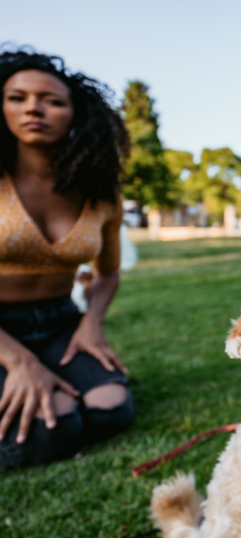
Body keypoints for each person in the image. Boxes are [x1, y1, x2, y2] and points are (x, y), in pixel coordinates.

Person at [0, 47, 134, 467]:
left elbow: (107, 273)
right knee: (52, 427)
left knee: (110, 408)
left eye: (53, 101)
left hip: (59, 321)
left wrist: (91, 323)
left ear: (76, 114)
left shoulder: (100, 191)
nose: (33, 109)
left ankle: (53, 372)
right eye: (17, 97)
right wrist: (17, 359)